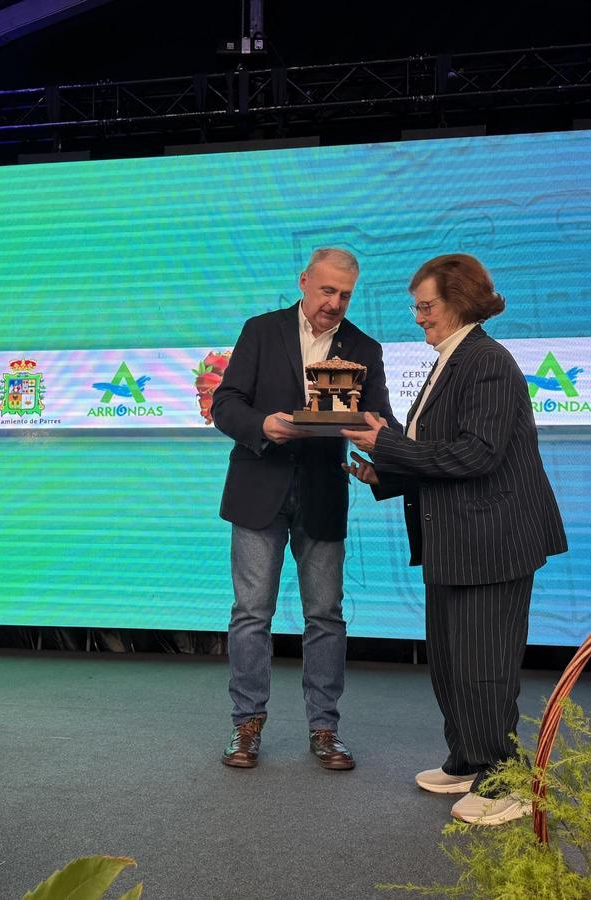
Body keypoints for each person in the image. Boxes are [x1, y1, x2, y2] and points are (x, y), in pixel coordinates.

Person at [342, 253, 566, 824]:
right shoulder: (453, 359)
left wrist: (384, 444)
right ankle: (471, 759)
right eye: (416, 307)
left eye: (426, 306)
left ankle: (510, 781)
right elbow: (441, 454)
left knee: (485, 665)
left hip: (494, 541)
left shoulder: (487, 361)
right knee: (450, 661)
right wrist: (384, 473)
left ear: (459, 300)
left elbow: (477, 454)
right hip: (455, 541)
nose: (418, 318)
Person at [211, 247, 396, 770]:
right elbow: (226, 404)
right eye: (326, 291)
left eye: (345, 295)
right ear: (304, 282)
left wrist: (372, 436)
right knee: (251, 615)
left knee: (326, 616)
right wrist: (263, 426)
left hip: (322, 493)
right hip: (258, 486)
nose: (334, 303)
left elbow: (382, 418)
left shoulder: (364, 347)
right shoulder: (260, 330)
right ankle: (245, 727)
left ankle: (325, 730)